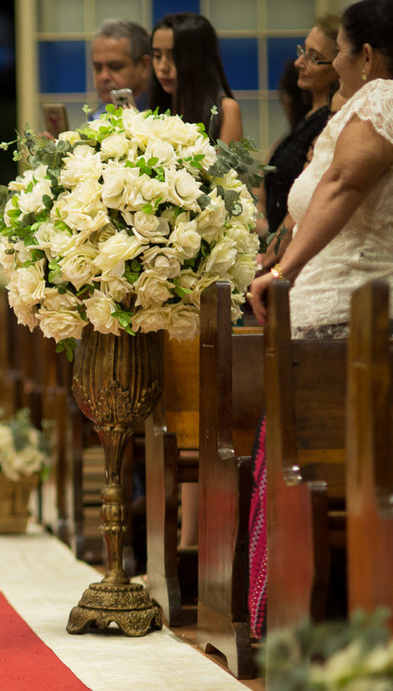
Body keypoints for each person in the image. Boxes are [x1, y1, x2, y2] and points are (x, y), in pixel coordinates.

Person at [243, 0, 393, 637]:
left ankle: (313, 618)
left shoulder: (381, 95)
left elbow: (346, 185)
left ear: (366, 55)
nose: (330, 61)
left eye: (338, 49)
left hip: (352, 313)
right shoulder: (353, 105)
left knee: (328, 472)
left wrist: (284, 273)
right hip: (333, 314)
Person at [259, 16, 341, 267]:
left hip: (298, 257)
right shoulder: (306, 116)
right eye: (302, 51)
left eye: (313, 57)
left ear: (340, 65)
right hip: (279, 246)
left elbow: (301, 209)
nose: (299, 62)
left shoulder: (330, 122)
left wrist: (269, 262)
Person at [148, 12, 242, 143]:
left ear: (199, 59)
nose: (163, 67)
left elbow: (225, 164)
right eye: (157, 56)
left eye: (174, 57)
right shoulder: (156, 110)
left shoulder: (226, 110)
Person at [89, 19, 152, 118]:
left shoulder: (166, 121)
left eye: (115, 67)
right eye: (98, 68)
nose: (103, 76)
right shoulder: (95, 118)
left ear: (145, 66)